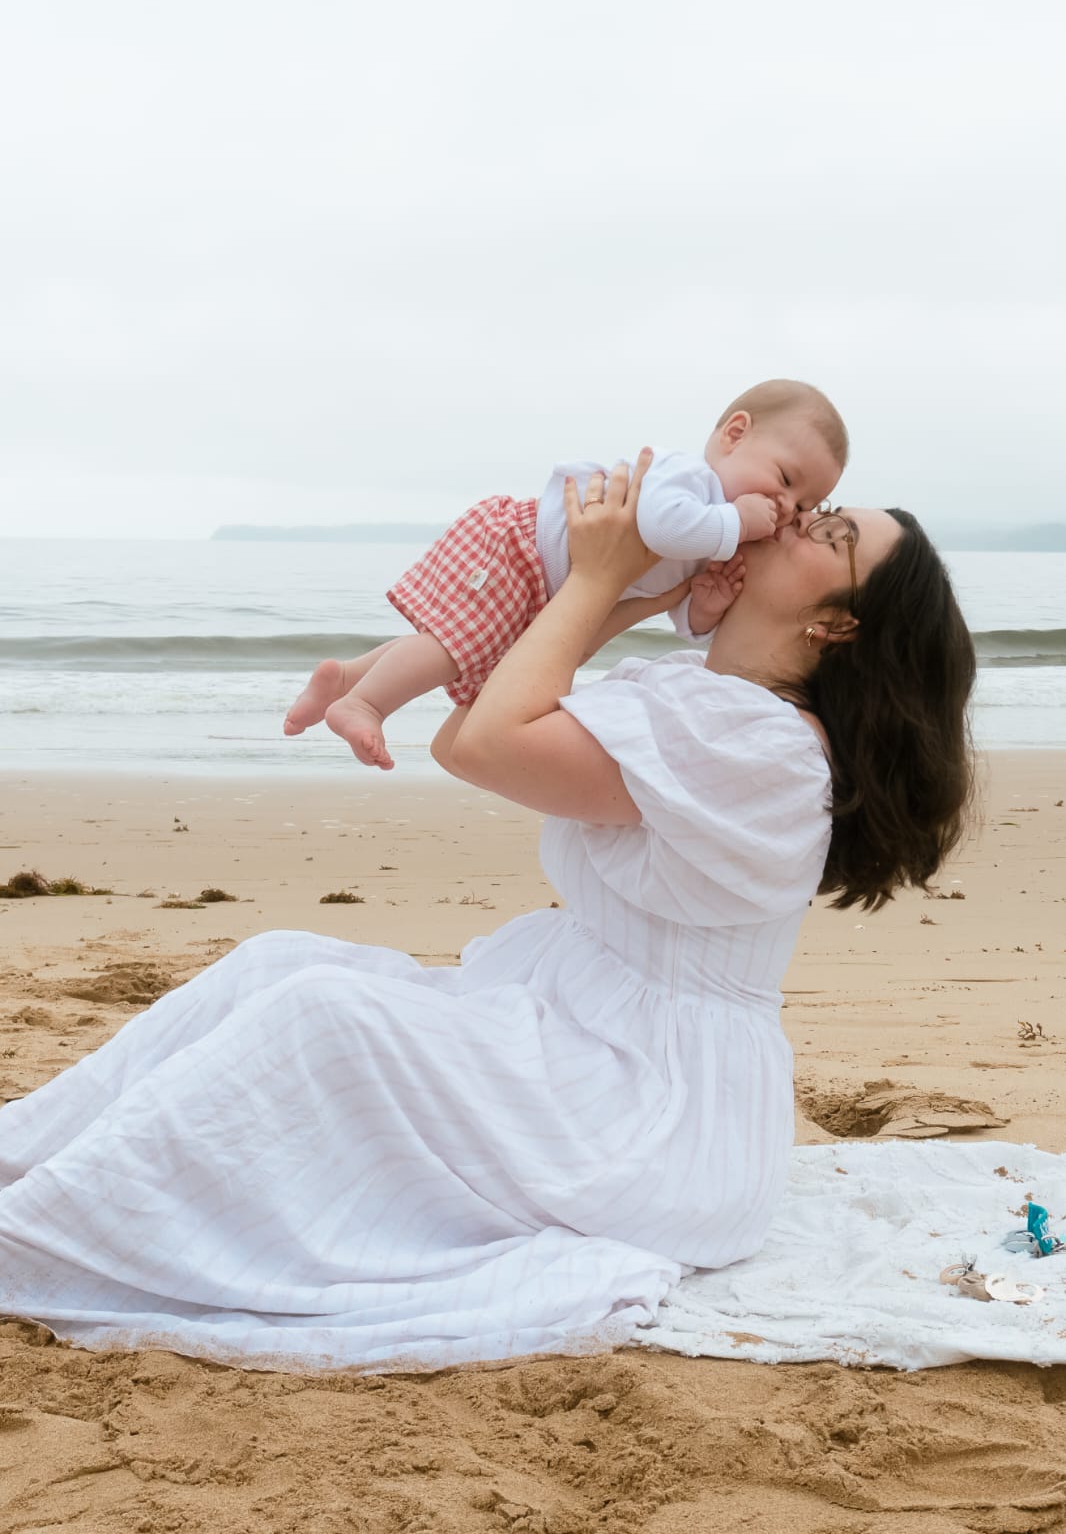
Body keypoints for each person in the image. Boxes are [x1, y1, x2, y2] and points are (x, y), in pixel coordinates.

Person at [0, 456, 975, 1372]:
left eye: (831, 531)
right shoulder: (699, 694)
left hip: (652, 1115)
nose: (801, 513)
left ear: (837, 623)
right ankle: (27, 1165)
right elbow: (477, 722)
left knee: (327, 1018)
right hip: (589, 1036)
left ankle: (40, 1235)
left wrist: (593, 578)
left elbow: (480, 745)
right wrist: (632, 595)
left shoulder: (760, 743)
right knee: (277, 963)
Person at [283, 378, 847, 768]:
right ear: (735, 434)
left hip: (545, 588)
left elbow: (674, 605)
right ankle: (366, 706)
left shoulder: (713, 532)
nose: (787, 504)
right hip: (521, 549)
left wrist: (706, 604)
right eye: (786, 478)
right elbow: (659, 526)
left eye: (806, 503)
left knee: (454, 642)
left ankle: (348, 679)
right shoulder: (690, 480)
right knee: (459, 646)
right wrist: (736, 520)